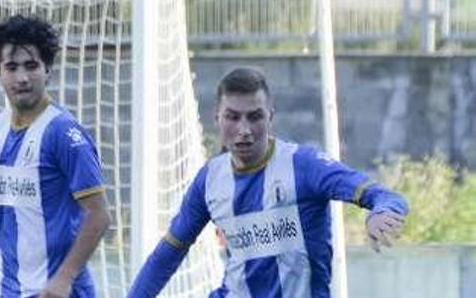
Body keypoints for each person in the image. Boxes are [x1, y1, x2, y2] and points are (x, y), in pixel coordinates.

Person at [127, 66, 409, 298]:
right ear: (217, 118)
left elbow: (386, 196)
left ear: (270, 117)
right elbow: (169, 253)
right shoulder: (210, 179)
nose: (244, 130)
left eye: (255, 117)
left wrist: (381, 211)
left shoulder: (304, 166)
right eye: (233, 117)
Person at [0, 14, 112, 298]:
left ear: (48, 70)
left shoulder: (63, 133)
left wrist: (63, 278)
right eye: (11, 67)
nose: (22, 77)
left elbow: (99, 215)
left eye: (31, 66)